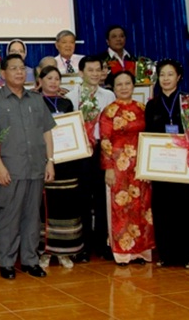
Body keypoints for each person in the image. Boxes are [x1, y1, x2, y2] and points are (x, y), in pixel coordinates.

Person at [0, 54, 56, 279]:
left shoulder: (36, 99)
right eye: (13, 68)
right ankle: (6, 262)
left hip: (36, 166)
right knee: (9, 216)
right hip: (10, 168)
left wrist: (51, 161)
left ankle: (30, 260)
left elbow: (46, 131)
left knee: (32, 216)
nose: (19, 72)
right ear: (3, 73)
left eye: (22, 68)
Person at [145, 59, 189, 269]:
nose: (165, 79)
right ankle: (167, 254)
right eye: (162, 75)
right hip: (161, 165)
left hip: (186, 165)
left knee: (188, 209)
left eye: (170, 74)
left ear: (178, 77)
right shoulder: (152, 104)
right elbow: (148, 135)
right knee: (163, 208)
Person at [65, 55, 116, 262]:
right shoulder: (70, 96)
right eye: (91, 70)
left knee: (103, 198)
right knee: (82, 200)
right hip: (80, 154)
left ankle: (103, 243)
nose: (95, 74)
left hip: (103, 151)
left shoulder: (109, 96)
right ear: (80, 73)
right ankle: (83, 245)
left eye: (99, 70)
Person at [99, 71, 153, 265]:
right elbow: (105, 141)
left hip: (140, 164)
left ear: (133, 86)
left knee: (142, 206)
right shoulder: (109, 111)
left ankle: (141, 251)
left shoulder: (142, 109)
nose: (123, 87)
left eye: (127, 83)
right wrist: (109, 168)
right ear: (113, 88)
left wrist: (149, 166)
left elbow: (151, 137)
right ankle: (122, 253)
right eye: (119, 84)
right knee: (120, 208)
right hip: (118, 165)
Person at [36, 66, 83, 269]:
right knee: (46, 207)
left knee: (67, 206)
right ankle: (45, 251)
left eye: (57, 78)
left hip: (67, 161)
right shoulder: (35, 101)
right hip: (44, 161)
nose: (54, 82)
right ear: (41, 80)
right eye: (49, 78)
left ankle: (65, 252)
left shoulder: (66, 102)